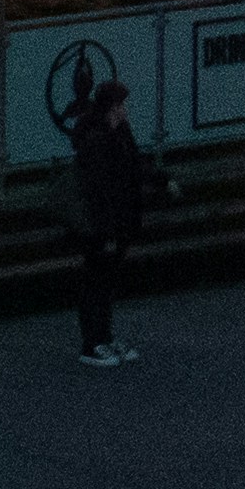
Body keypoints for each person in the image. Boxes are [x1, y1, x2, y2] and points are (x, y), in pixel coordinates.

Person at [67, 67, 150, 364]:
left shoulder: (117, 133)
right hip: (101, 225)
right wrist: (108, 231)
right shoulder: (98, 140)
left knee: (104, 282)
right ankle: (93, 342)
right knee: (96, 282)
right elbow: (99, 190)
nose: (125, 110)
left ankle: (103, 337)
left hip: (115, 222)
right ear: (111, 108)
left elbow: (135, 167)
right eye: (121, 105)